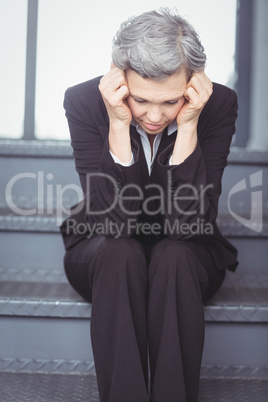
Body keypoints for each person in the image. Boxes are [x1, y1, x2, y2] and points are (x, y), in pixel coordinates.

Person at [60, 8, 239, 402]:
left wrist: (189, 123)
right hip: (103, 253)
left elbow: (188, 227)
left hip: (186, 259)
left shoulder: (218, 105)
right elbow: (111, 224)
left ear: (193, 83)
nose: (155, 116)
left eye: (171, 102)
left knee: (173, 255)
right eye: (141, 100)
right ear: (118, 78)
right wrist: (119, 124)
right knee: (122, 254)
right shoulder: (85, 102)